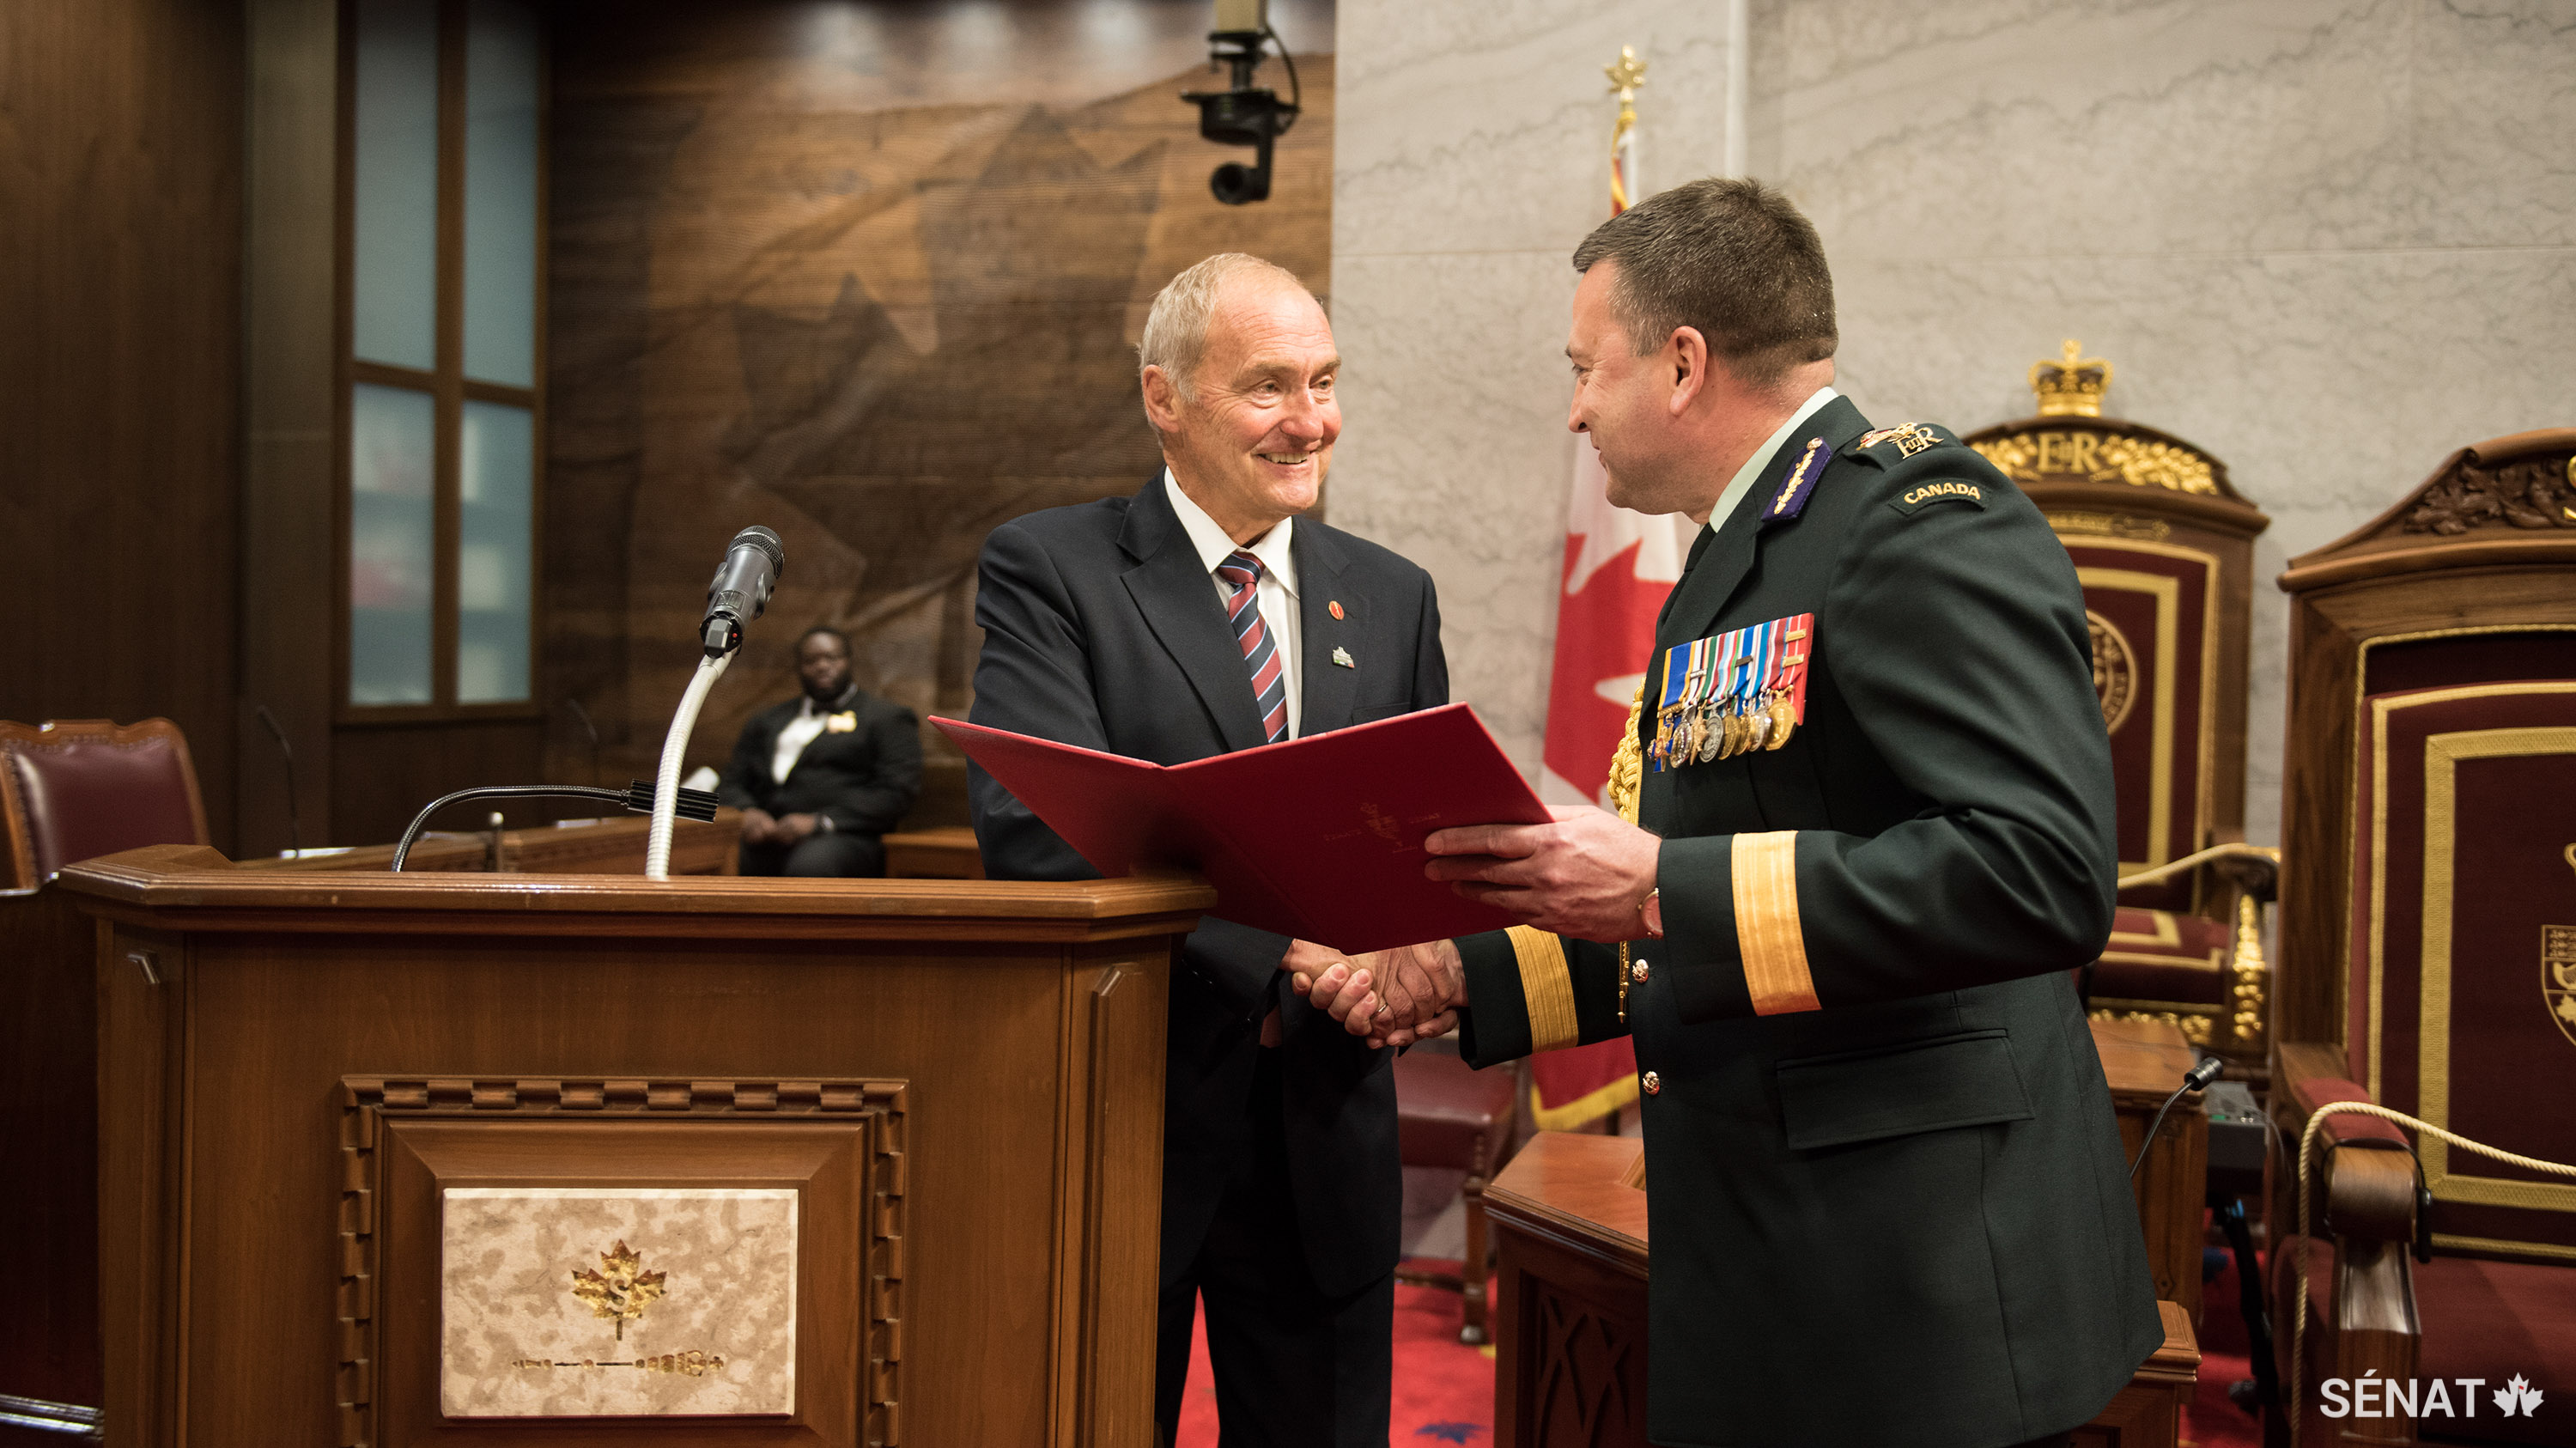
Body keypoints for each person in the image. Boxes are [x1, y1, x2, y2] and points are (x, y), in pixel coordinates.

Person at [1302, 179, 2163, 1448]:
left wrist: (1659, 886)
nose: (1578, 407)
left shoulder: (1916, 527)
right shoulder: (1738, 553)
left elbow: (2039, 873)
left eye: (1588, 368)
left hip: (1916, 1285)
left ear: (1684, 363)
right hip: (1781, 1253)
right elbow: (1693, 902)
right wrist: (1451, 974)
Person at [967, 252, 1450, 1448]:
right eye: (1267, 387)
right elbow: (1039, 827)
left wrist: (1412, 951)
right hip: (1128, 1117)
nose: (1310, 421)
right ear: (1163, 397)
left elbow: (1417, 838)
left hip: (1328, 1125)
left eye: (1325, 382)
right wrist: (1277, 947)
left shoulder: (1394, 596)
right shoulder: (1053, 571)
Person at [717, 624, 921, 877]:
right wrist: (747, 812)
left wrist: (820, 821)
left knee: (811, 865)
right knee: (712, 856)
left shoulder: (887, 718)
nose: (822, 666)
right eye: (811, 660)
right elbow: (732, 782)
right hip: (768, 836)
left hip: (845, 835)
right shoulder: (767, 721)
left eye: (831, 657)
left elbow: (896, 793)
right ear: (799, 667)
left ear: (848, 661)